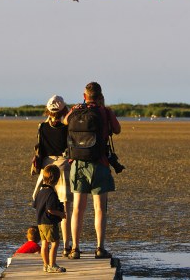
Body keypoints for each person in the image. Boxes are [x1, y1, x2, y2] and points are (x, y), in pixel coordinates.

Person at [63, 82, 121, 259]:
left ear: (84, 95)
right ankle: (99, 248)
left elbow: (65, 121)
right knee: (99, 209)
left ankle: (75, 249)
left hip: (78, 164)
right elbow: (117, 130)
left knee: (77, 209)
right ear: (100, 96)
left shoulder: (76, 109)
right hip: (100, 164)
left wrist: (76, 109)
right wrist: (104, 109)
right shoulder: (105, 112)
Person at [31, 94, 74, 257]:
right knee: (65, 209)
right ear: (64, 109)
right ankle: (66, 245)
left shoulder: (41, 127)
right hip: (63, 166)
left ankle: (47, 244)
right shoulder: (67, 127)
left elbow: (39, 149)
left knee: (45, 205)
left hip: (46, 168)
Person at [33, 164, 67, 273]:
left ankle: (45, 265)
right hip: (49, 222)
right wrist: (61, 214)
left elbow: (35, 205)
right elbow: (50, 209)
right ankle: (52, 265)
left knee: (44, 243)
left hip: (40, 222)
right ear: (57, 180)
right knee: (55, 242)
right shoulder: (51, 193)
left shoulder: (41, 191)